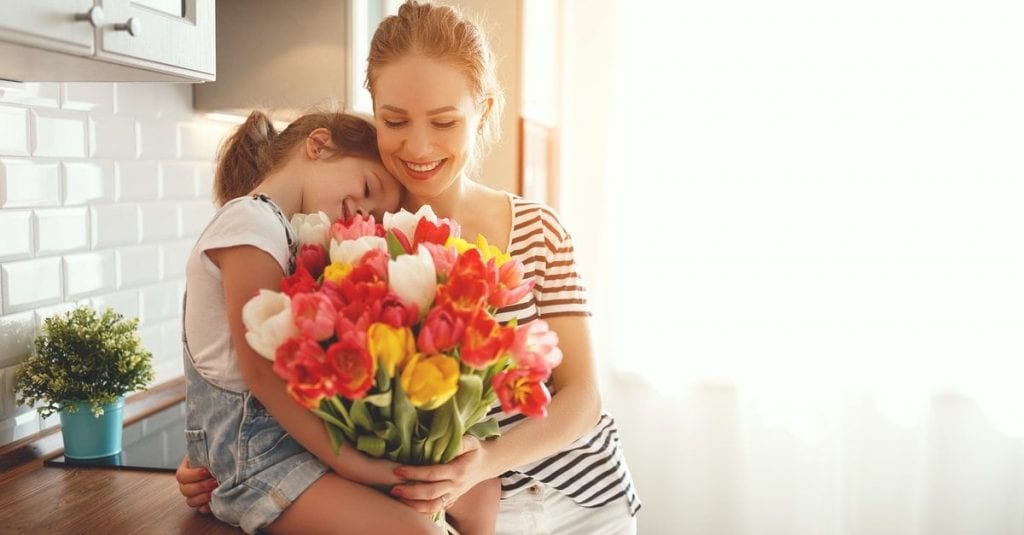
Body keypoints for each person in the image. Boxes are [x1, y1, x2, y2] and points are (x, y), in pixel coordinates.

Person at [179, 1, 641, 533]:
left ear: (484, 111)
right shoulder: (342, 239)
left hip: (577, 501)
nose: (418, 146)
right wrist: (214, 452)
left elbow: (583, 396)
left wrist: (482, 464)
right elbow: (275, 380)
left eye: (444, 121)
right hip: (440, 512)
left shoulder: (537, 229)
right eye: (394, 120)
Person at [181, 109, 498, 534]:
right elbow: (261, 374)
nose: (359, 211)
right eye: (369, 187)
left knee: (482, 491)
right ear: (319, 144)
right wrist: (360, 467)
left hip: (302, 448)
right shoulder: (249, 222)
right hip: (259, 464)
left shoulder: (288, 234)